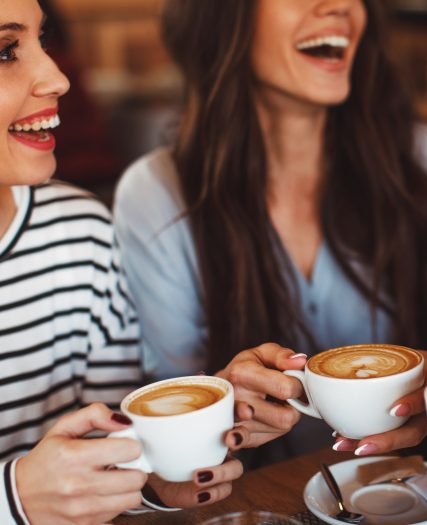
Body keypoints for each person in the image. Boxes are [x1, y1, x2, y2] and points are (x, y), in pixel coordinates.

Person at [113, 0, 427, 468]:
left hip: (414, 489)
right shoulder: (155, 193)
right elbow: (171, 402)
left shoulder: (417, 158)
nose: (343, 6)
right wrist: (223, 396)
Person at [0, 1, 246, 523]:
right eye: (5, 51)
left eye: (41, 41)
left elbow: (103, 457)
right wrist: (12, 498)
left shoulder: (80, 231)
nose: (57, 77)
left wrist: (160, 470)